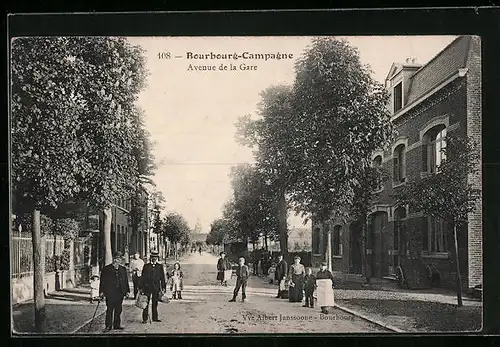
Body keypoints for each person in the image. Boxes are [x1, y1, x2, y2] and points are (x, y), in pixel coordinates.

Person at [99, 252, 130, 332]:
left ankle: (117, 325)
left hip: (120, 292)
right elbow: (102, 281)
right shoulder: (106, 269)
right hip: (110, 292)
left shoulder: (123, 269)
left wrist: (127, 291)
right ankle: (108, 326)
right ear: (114, 259)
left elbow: (125, 281)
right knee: (109, 309)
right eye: (117, 259)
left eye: (120, 259)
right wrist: (101, 292)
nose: (118, 261)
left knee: (118, 309)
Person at [140, 252, 166, 323]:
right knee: (146, 303)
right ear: (150, 257)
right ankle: (145, 318)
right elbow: (143, 277)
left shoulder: (160, 266)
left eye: (155, 257)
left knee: (155, 303)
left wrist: (163, 287)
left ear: (157, 258)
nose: (154, 258)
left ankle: (155, 317)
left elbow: (162, 277)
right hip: (147, 287)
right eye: (153, 257)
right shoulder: (146, 266)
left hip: (156, 288)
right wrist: (141, 287)